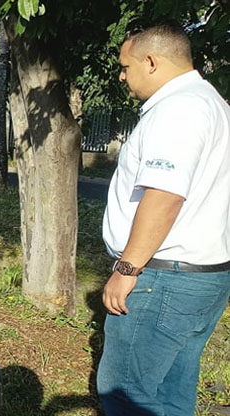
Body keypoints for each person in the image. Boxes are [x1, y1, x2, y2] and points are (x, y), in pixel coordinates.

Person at [97, 24, 230, 416]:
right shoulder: (213, 104)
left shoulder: (179, 110)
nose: (122, 76)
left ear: (151, 61)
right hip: (202, 277)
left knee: (126, 393)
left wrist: (127, 267)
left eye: (125, 66)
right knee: (170, 391)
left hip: (163, 278)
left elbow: (164, 195)